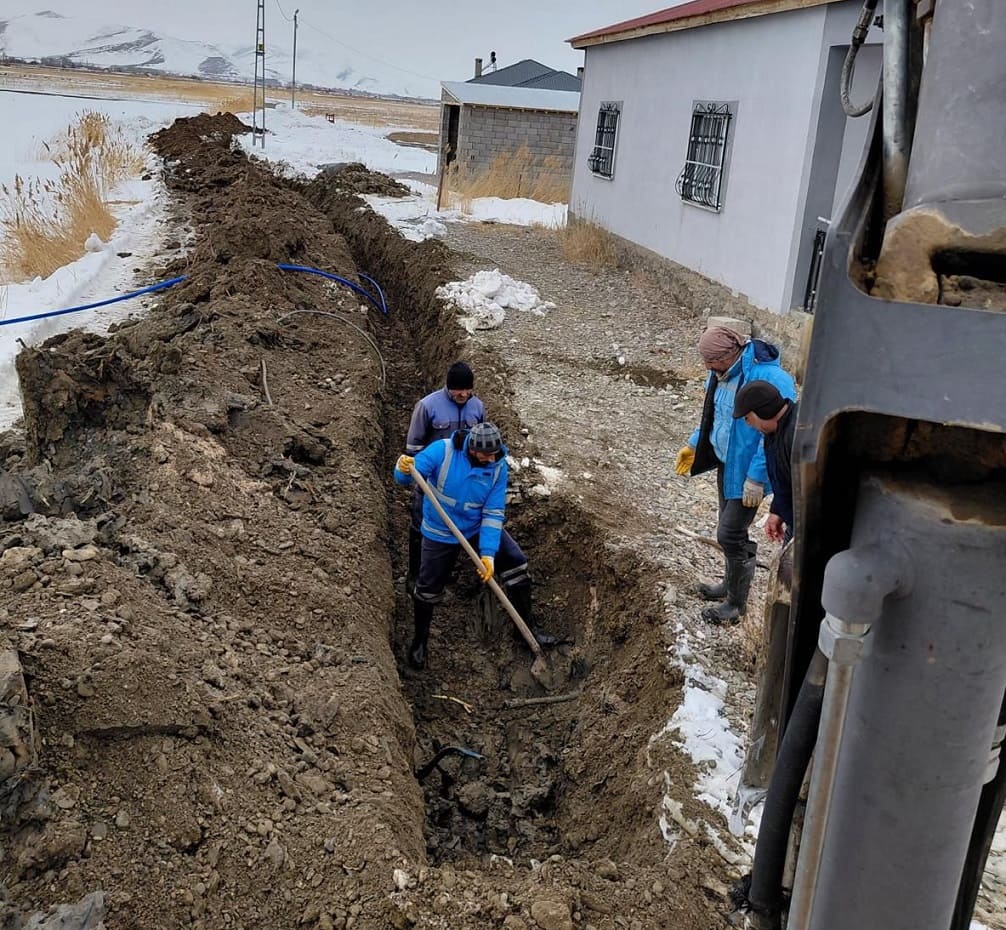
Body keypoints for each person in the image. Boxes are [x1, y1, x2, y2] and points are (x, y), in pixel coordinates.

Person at [394, 422, 551, 670]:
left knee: (517, 564)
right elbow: (406, 478)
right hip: (440, 530)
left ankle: (527, 629)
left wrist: (488, 554)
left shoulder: (497, 466)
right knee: (427, 588)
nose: (491, 459)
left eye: (494, 454)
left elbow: (493, 511)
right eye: (486, 455)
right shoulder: (441, 452)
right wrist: (402, 469)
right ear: (471, 449)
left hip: (476, 527)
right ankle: (420, 642)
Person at [674, 325, 796, 624]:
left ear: (730, 354)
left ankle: (736, 605)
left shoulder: (771, 379)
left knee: (730, 533)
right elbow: (712, 416)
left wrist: (756, 477)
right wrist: (694, 443)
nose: (707, 368)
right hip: (727, 463)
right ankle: (729, 586)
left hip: (751, 471)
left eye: (712, 362)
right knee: (726, 528)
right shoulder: (719, 375)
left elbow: (775, 438)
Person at [404, 362, 485, 590]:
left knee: (455, 527)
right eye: (459, 389)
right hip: (431, 481)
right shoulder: (427, 406)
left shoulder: (477, 407)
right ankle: (415, 574)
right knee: (421, 525)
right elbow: (413, 447)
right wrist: (420, 477)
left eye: (467, 389)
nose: (464, 394)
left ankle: (443, 571)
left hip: (462, 483)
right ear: (449, 387)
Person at [733, 380, 798, 544]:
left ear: (762, 412)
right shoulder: (775, 432)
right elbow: (785, 481)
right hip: (795, 520)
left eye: (747, 417)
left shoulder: (797, 434)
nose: (748, 423)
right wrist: (778, 511)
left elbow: (805, 487)